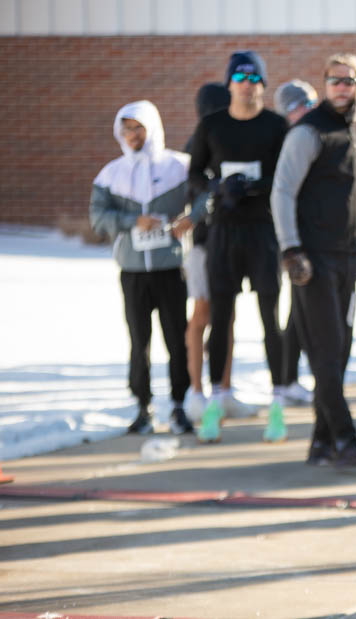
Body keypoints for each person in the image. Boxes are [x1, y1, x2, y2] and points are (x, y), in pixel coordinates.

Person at [271, 52, 356, 468]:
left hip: (343, 258)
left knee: (338, 352)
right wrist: (291, 250)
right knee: (326, 351)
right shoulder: (309, 132)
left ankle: (321, 444)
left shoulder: (345, 130)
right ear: (324, 85)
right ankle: (346, 438)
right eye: (335, 80)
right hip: (313, 261)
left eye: (349, 80)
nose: (342, 87)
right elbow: (282, 192)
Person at [187, 50, 289, 443]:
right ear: (229, 83)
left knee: (269, 315)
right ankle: (218, 400)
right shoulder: (212, 125)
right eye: (239, 76)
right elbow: (194, 172)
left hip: (262, 232)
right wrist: (217, 188)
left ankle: (277, 402)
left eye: (253, 77)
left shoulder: (275, 126)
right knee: (221, 316)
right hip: (223, 233)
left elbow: (285, 174)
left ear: (262, 84)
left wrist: (255, 188)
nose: (246, 83)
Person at [90, 100, 203, 435]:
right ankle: (143, 406)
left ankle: (180, 405)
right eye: (126, 129)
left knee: (175, 337)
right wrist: (131, 221)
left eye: (138, 127)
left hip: (170, 268)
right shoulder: (111, 174)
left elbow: (204, 194)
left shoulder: (178, 167)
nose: (132, 135)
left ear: (152, 127)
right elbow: (98, 217)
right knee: (139, 339)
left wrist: (191, 219)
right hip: (133, 270)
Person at [181, 83, 235, 423]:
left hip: (230, 241)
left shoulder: (230, 140)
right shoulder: (198, 143)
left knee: (227, 319)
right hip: (203, 243)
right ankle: (196, 391)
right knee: (202, 315)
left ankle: (225, 390)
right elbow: (194, 195)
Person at [271, 79, 320, 406]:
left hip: (308, 236)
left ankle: (291, 377)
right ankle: (286, 379)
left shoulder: (310, 135)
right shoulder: (287, 139)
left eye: (307, 106)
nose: (302, 113)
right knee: (296, 312)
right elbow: (282, 192)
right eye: (296, 108)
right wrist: (290, 243)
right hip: (289, 238)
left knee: (301, 313)